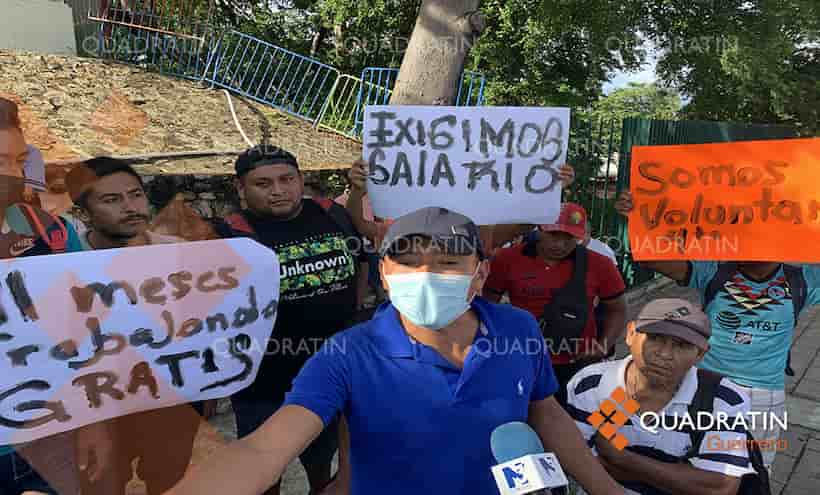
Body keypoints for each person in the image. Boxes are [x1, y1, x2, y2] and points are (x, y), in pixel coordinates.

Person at [166, 206, 626, 495]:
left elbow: (543, 410)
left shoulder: (517, 328)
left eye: (447, 263)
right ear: (384, 275)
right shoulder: (346, 353)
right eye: (408, 263)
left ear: (480, 275)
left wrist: (607, 490)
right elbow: (266, 449)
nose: (426, 275)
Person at [615, 190, 820, 471]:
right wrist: (638, 218)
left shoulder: (802, 279)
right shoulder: (713, 270)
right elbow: (651, 258)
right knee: (694, 461)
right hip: (704, 384)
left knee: (754, 470)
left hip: (764, 395)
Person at [213, 145, 361, 495]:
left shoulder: (330, 213)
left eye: (286, 179)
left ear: (301, 180)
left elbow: (362, 260)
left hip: (330, 369)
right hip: (263, 380)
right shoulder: (227, 234)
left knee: (322, 458)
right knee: (264, 468)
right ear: (241, 188)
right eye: (263, 183)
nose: (278, 190)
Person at [64, 157, 203, 495]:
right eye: (112, 200)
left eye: (135, 195)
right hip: (97, 407)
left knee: (172, 485)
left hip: (170, 401)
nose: (130, 207)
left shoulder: (182, 255)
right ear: (83, 213)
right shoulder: (61, 265)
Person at [567, 299, 755, 495]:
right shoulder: (591, 384)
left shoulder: (723, 399)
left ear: (700, 353)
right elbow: (577, 460)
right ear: (631, 334)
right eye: (655, 337)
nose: (665, 354)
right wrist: (681, 473)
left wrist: (622, 458)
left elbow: (720, 487)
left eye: (681, 345)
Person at [0, 96, 85, 495]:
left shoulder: (54, 233)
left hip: (53, 436)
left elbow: (94, 316)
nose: (14, 175)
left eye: (19, 161)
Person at [484, 202, 628, 407]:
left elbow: (617, 309)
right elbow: (489, 303)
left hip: (579, 361)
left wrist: (604, 344)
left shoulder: (600, 264)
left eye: (568, 237)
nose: (559, 245)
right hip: (524, 358)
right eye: (553, 235)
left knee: (583, 422)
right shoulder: (507, 259)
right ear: (540, 229)